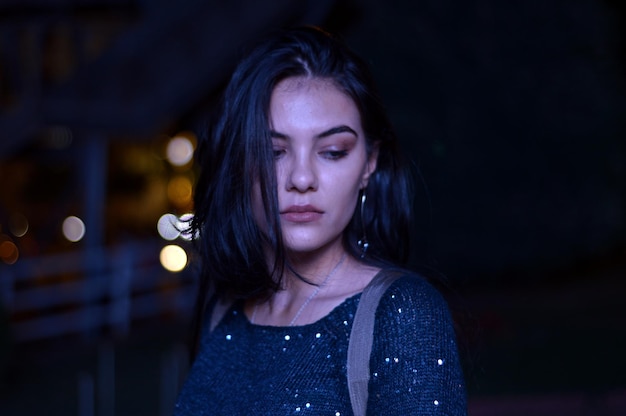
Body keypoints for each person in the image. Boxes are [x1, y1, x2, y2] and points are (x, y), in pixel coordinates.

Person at [174, 26, 467, 415]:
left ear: (369, 163)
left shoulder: (403, 316)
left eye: (331, 151)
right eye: (273, 151)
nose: (301, 178)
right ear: (241, 162)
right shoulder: (223, 310)